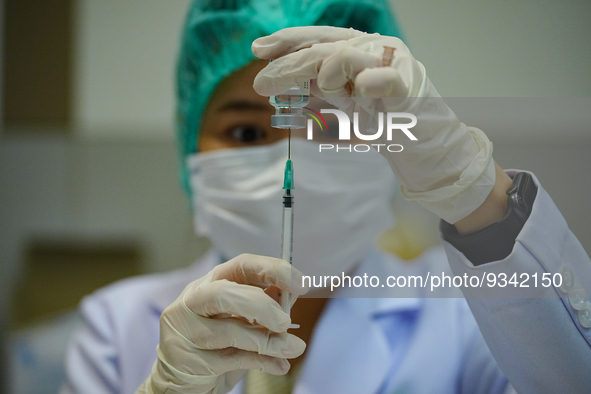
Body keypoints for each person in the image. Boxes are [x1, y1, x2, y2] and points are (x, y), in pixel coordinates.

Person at [61, 1, 591, 393]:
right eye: (246, 134)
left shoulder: (460, 316)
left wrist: (477, 194)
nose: (290, 161)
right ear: (187, 147)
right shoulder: (118, 325)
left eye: (331, 126)